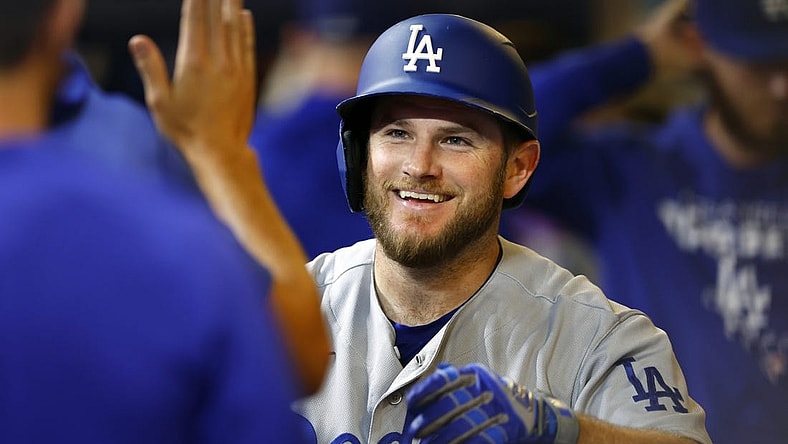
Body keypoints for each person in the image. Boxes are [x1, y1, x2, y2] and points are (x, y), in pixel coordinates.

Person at [134, 10, 713, 443]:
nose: (420, 165)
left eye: (456, 138)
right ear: (356, 156)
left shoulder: (594, 336)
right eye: (396, 133)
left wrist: (561, 431)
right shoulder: (291, 311)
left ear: (517, 168)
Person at [0, 0, 315, 441]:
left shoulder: (127, 139)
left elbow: (299, 358)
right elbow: (297, 358)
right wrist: (220, 156)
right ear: (65, 13)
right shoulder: (165, 229)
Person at [497, 0, 788, 441]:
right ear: (702, 48)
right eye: (757, 64)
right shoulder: (631, 170)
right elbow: (497, 123)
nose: (782, 87)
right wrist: (639, 55)